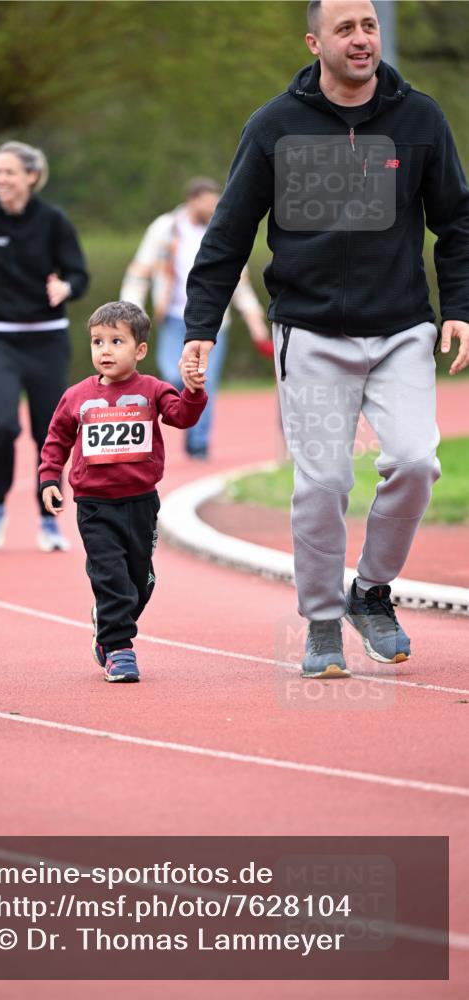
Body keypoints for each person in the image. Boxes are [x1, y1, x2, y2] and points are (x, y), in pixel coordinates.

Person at [181, 0, 469, 678]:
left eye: (368, 26)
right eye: (345, 28)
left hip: (400, 329)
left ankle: (369, 591)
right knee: (321, 483)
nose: (361, 38)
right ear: (315, 43)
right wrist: (200, 327)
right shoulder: (273, 127)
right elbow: (227, 235)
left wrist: (458, 305)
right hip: (308, 333)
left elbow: (456, 223)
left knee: (414, 461)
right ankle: (319, 623)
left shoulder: (419, 119)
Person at [39, 301, 207, 682]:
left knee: (140, 583)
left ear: (140, 350)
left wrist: (193, 391)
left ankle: (109, 621)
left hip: (141, 502)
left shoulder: (152, 389)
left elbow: (182, 416)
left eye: (117, 341)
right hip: (94, 505)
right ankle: (118, 649)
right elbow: (57, 439)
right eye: (98, 342)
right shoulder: (76, 396)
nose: (106, 350)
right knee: (110, 575)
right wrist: (50, 478)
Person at [0, 140, 89, 552]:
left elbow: (79, 275)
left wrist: (65, 286)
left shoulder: (53, 221)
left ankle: (48, 519)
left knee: (49, 434)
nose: (0, 180)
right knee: (4, 425)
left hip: (47, 340)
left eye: (9, 172)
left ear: (32, 176)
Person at [120, 177, 271, 459]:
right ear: (192, 201)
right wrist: (131, 312)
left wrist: (253, 318)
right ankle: (180, 414)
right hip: (174, 318)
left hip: (214, 322)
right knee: (170, 375)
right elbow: (139, 272)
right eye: (209, 204)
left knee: (204, 381)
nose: (214, 209)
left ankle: (198, 444)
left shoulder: (222, 229)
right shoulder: (165, 229)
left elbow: (237, 279)